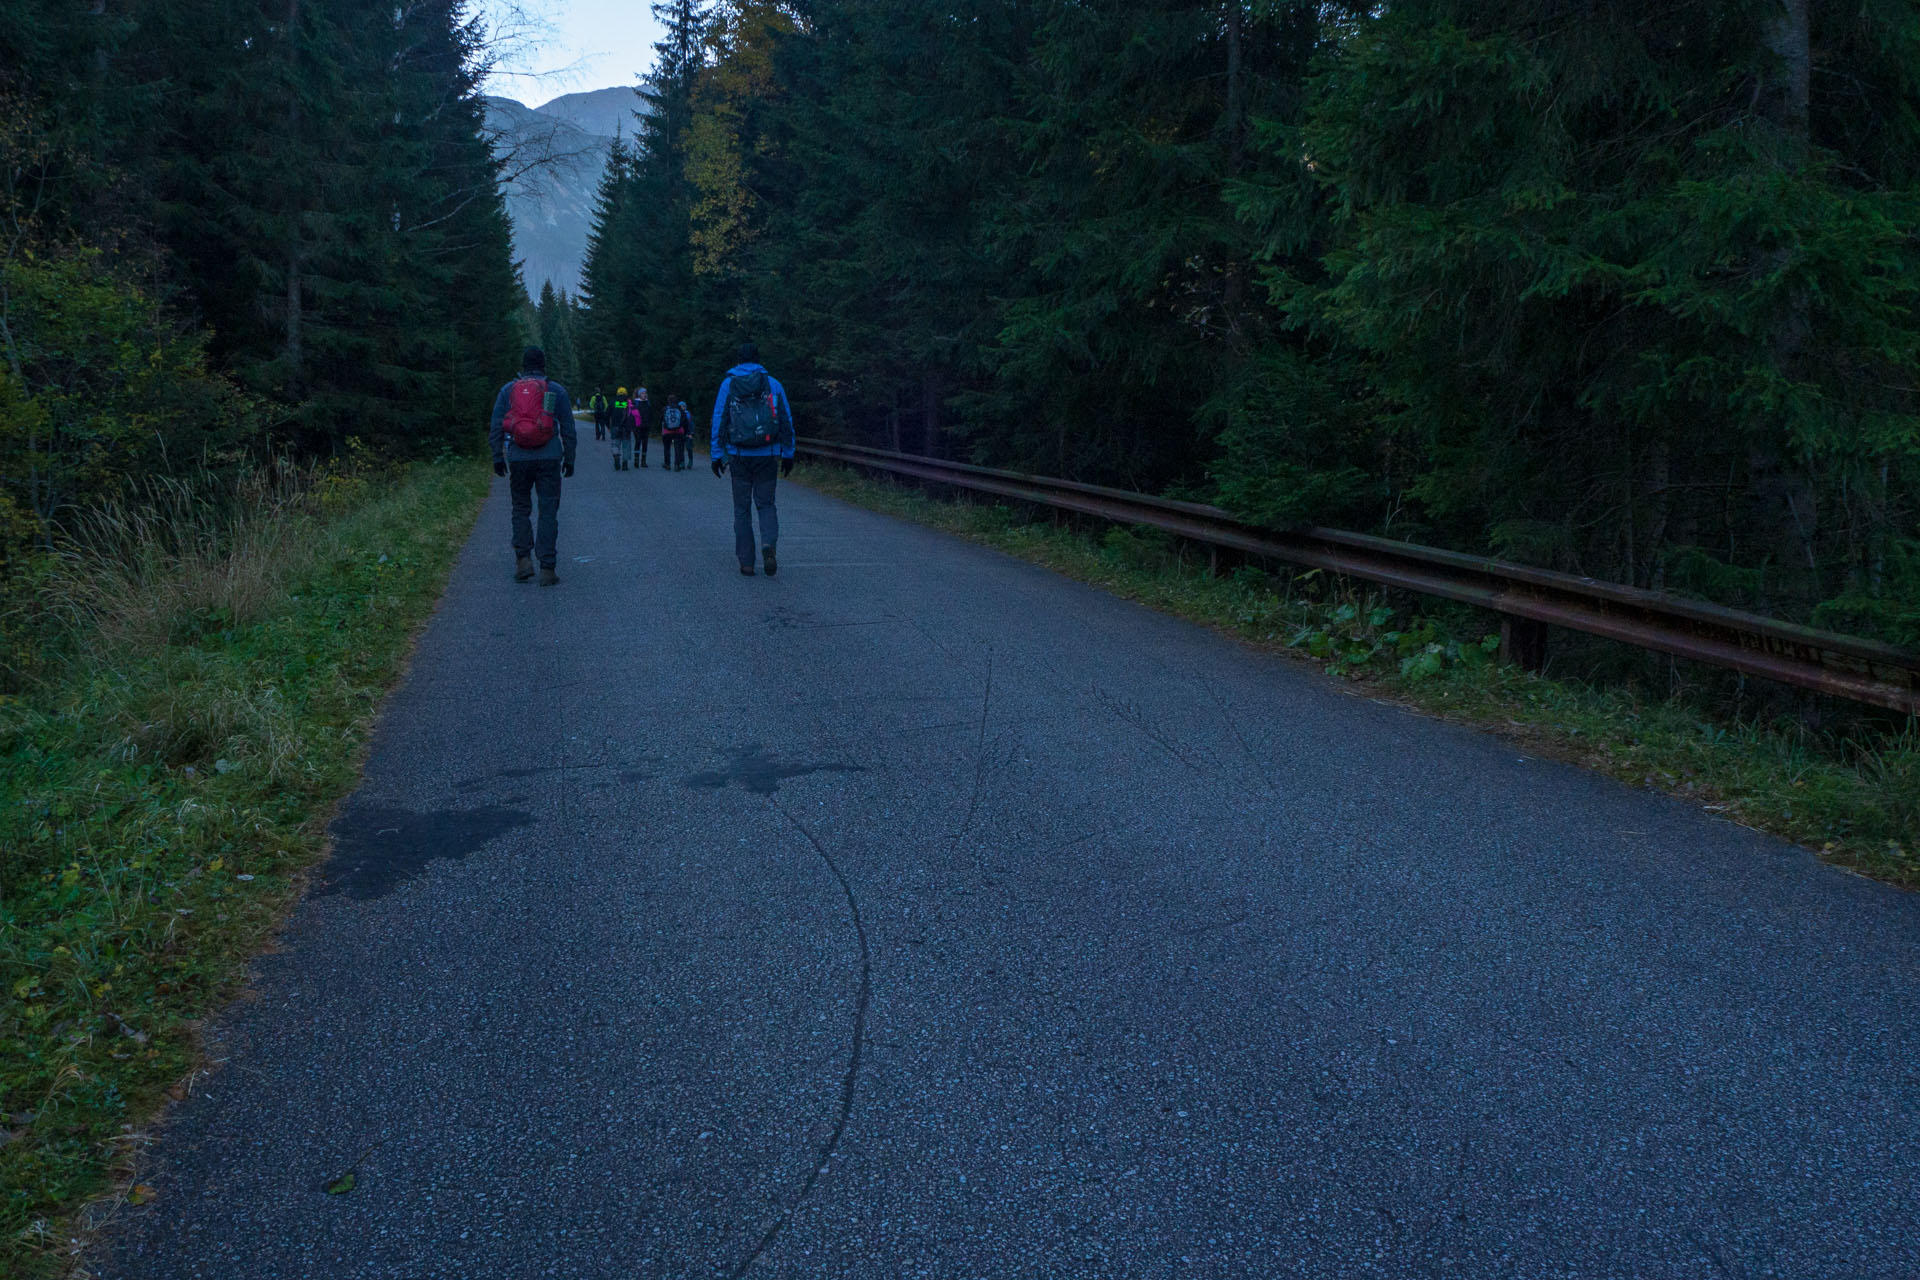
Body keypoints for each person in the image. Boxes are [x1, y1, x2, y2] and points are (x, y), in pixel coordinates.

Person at [489, 346, 577, 585]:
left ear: (523, 365)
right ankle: (547, 568)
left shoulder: (508, 390)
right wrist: (569, 457)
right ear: (544, 365)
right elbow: (568, 428)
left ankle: (523, 560)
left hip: (518, 457)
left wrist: (498, 455)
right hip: (549, 457)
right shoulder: (555, 390)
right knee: (548, 511)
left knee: (520, 508)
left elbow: (497, 424)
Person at [709, 342, 795, 576]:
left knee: (741, 509)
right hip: (767, 455)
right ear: (758, 359)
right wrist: (788, 452)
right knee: (766, 504)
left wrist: (717, 454)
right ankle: (768, 544)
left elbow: (719, 418)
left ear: (738, 359)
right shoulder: (773, 383)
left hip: (738, 456)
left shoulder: (728, 384)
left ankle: (747, 562)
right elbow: (786, 418)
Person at [659, 393, 691, 471]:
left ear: (668, 401)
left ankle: (667, 464)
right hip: (678, 431)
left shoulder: (665, 409)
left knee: (667, 447)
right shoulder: (680, 409)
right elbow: (685, 421)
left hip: (667, 432)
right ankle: (677, 465)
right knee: (678, 448)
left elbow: (661, 420)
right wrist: (687, 432)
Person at [610, 385, 635, 470]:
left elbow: (606, 414)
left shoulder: (613, 402)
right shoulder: (629, 403)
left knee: (615, 444)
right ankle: (625, 464)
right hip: (626, 428)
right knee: (626, 445)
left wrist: (608, 426)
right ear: (626, 394)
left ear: (617, 393)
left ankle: (616, 457)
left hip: (615, 427)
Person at [633, 387, 657, 468]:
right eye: (643, 393)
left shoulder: (648, 403)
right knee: (638, 442)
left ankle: (643, 461)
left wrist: (651, 424)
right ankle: (636, 461)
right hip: (637, 427)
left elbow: (651, 415)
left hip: (646, 426)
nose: (645, 394)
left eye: (646, 393)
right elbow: (631, 416)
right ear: (639, 394)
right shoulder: (635, 403)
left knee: (645, 444)